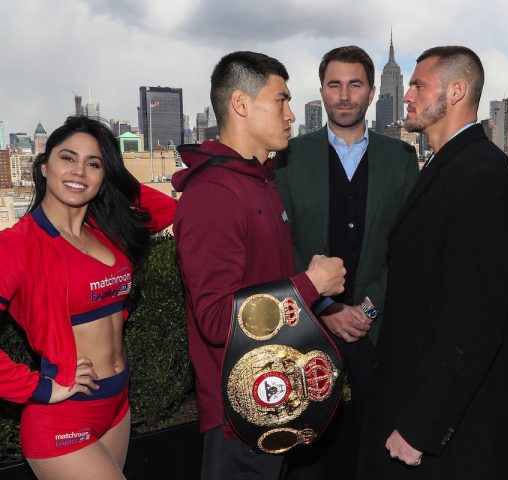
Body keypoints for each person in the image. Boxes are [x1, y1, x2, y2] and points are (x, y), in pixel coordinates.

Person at [357, 46, 508, 479]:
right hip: (417, 400)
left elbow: (475, 320)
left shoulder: (482, 174)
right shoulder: (448, 164)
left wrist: (422, 425)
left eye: (418, 85)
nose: (407, 96)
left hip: (452, 433)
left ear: (455, 92)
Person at [172, 51, 345, 480]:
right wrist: (311, 284)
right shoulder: (213, 194)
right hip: (240, 420)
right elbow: (215, 319)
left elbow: (264, 283)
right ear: (241, 104)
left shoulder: (258, 181)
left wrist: (320, 304)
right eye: (281, 100)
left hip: (275, 402)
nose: (291, 114)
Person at [0, 115, 175, 479]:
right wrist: (38, 387)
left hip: (117, 406)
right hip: (63, 415)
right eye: (68, 158)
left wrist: (114, 182)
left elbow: (169, 211)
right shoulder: (18, 245)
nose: (78, 171)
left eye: (92, 163)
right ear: (44, 165)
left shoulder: (107, 230)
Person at [275, 45, 418, 477]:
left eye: (354, 84)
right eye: (334, 85)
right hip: (308, 328)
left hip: (377, 331)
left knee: (381, 445)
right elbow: (282, 244)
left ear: (372, 92)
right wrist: (326, 307)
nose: (343, 95)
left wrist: (367, 308)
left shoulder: (401, 159)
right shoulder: (289, 156)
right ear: (321, 90)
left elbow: (407, 248)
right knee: (306, 447)